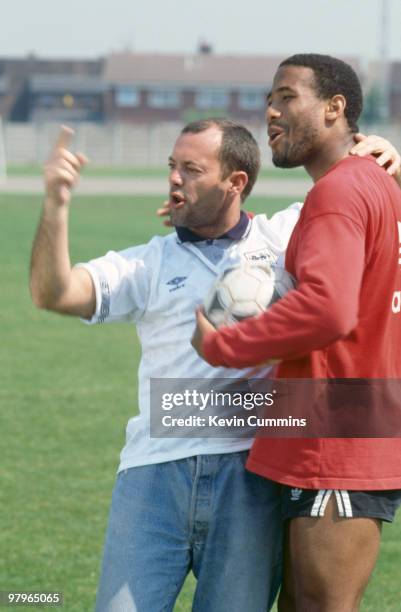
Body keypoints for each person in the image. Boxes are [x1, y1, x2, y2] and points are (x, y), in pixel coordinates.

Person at [30, 117, 399, 612]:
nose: (174, 179)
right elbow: (53, 293)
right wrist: (56, 202)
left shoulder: (286, 236)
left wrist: (386, 158)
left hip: (250, 479)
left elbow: (367, 213)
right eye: (171, 167)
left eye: (191, 169)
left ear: (235, 183)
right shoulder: (148, 264)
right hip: (153, 476)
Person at [192, 55, 401, 611]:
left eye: (287, 97)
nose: (271, 111)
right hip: (350, 425)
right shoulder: (374, 183)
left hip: (336, 435)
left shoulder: (340, 192)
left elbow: (329, 310)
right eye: (270, 98)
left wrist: (222, 344)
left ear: (335, 109)